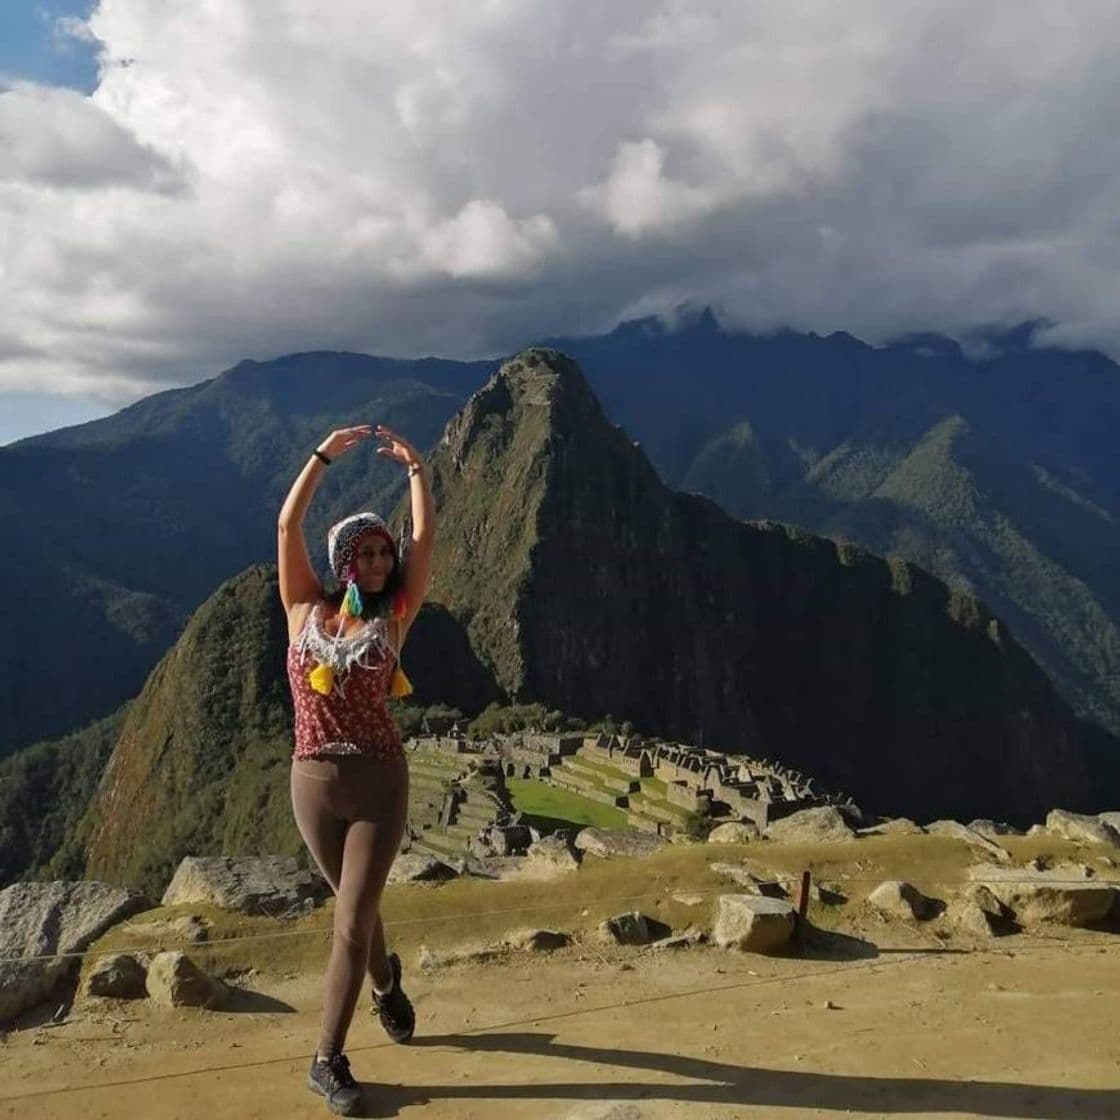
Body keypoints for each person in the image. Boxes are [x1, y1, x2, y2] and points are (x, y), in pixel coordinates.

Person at [278, 423, 434, 1116]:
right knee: (358, 916)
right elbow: (288, 524)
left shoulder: (394, 618)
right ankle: (384, 985)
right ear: (343, 560)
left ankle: (327, 1059)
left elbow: (425, 545)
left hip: (377, 783)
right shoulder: (302, 610)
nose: (378, 562)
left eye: (383, 552)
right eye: (365, 553)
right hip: (311, 784)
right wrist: (322, 458)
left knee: (348, 921)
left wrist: (417, 474)